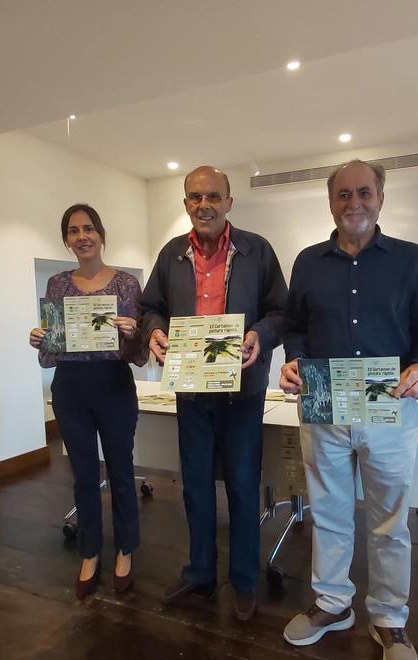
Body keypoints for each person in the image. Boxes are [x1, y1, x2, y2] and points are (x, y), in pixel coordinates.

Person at [278, 160, 418, 660]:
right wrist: (293, 360)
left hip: (390, 409)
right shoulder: (308, 262)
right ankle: (333, 603)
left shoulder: (412, 260)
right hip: (325, 407)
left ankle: (390, 618)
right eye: (344, 194)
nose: (355, 202)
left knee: (390, 522)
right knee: (327, 512)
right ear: (331, 202)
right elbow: (297, 328)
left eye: (365, 192)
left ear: (380, 197)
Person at [139, 165, 286, 621]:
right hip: (191, 392)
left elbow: (282, 311)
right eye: (194, 197)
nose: (204, 205)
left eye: (213, 197)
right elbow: (150, 309)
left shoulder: (257, 250)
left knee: (243, 486)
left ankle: (243, 578)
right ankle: (200, 572)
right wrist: (154, 334)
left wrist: (261, 334)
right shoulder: (170, 255)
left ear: (229, 201)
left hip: (243, 391)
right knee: (196, 485)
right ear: (186, 203)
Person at [29, 203, 147, 600]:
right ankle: (90, 552)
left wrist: (133, 334)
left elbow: (139, 353)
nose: (83, 237)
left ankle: (126, 549)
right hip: (71, 387)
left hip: (113, 384)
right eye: (74, 231)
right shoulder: (57, 284)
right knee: (82, 474)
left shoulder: (128, 285)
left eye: (89, 229)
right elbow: (52, 351)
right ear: (66, 239)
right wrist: (41, 339)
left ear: (102, 234)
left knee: (121, 471)